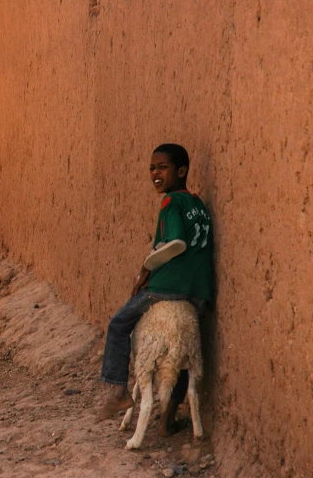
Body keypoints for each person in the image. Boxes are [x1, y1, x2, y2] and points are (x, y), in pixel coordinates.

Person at [99, 143, 213, 435]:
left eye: (162, 167)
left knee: (118, 324)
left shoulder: (171, 203)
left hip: (168, 287)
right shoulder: (198, 205)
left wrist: (146, 270)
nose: (155, 174)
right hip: (198, 291)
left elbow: (174, 243)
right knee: (182, 354)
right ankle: (167, 422)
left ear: (181, 171)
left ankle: (118, 392)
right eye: (152, 168)